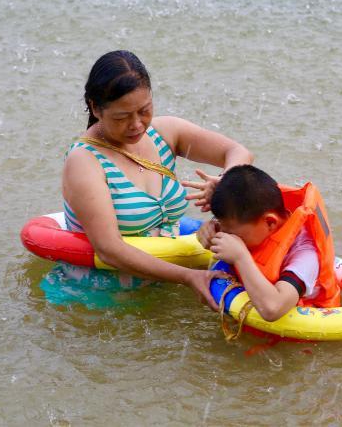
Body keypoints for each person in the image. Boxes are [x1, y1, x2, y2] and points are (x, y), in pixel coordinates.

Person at [61, 50, 253, 306]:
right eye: (121, 117)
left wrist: (226, 181)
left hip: (164, 284)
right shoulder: (84, 162)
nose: (137, 125)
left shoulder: (165, 133)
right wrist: (188, 276)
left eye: (144, 110)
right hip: (101, 297)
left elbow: (238, 152)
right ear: (96, 108)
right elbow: (109, 250)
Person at [197, 165, 340, 322]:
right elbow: (228, 227)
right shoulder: (253, 223)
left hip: (304, 325)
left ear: (270, 222)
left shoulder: (306, 254)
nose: (227, 237)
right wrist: (207, 230)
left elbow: (272, 309)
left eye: (233, 235)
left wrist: (240, 257)